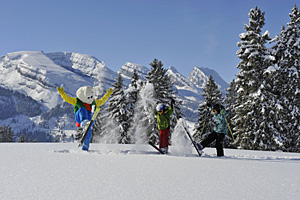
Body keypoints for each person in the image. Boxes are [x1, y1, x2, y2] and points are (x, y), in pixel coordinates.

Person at [57, 86, 113, 151]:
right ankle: (84, 122)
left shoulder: (93, 102)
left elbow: (102, 100)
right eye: (88, 97)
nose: (90, 99)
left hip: (89, 118)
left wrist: (107, 94)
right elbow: (68, 99)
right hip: (80, 117)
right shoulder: (78, 101)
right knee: (82, 109)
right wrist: (62, 93)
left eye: (91, 97)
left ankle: (85, 148)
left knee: (88, 134)